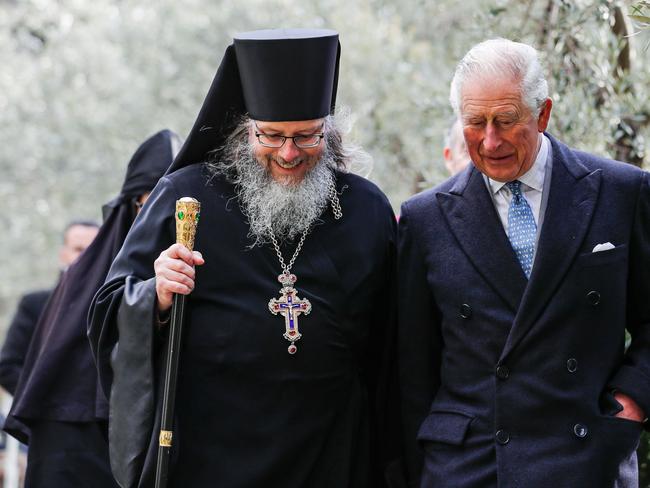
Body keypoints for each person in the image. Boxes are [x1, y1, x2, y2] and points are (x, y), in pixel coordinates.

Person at [89, 29, 397, 488]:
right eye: (271, 136)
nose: (289, 154)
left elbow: (394, 344)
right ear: (244, 130)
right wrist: (155, 296)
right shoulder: (186, 195)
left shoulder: (365, 208)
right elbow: (108, 307)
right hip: (210, 455)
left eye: (306, 137)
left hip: (331, 451)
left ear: (329, 133)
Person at [398, 38, 650, 487]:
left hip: (587, 457)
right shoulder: (424, 219)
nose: (490, 141)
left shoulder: (622, 192)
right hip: (471, 468)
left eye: (506, 121)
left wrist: (630, 402)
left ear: (543, 113)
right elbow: (412, 367)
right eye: (475, 123)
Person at [4, 129, 181, 488]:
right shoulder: (85, 280)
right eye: (150, 206)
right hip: (75, 438)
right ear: (133, 206)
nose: (159, 221)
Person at [0, 220, 99, 395]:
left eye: (93, 250)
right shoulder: (34, 304)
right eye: (78, 249)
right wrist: (43, 407)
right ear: (63, 254)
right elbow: (7, 367)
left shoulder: (112, 305)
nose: (85, 257)